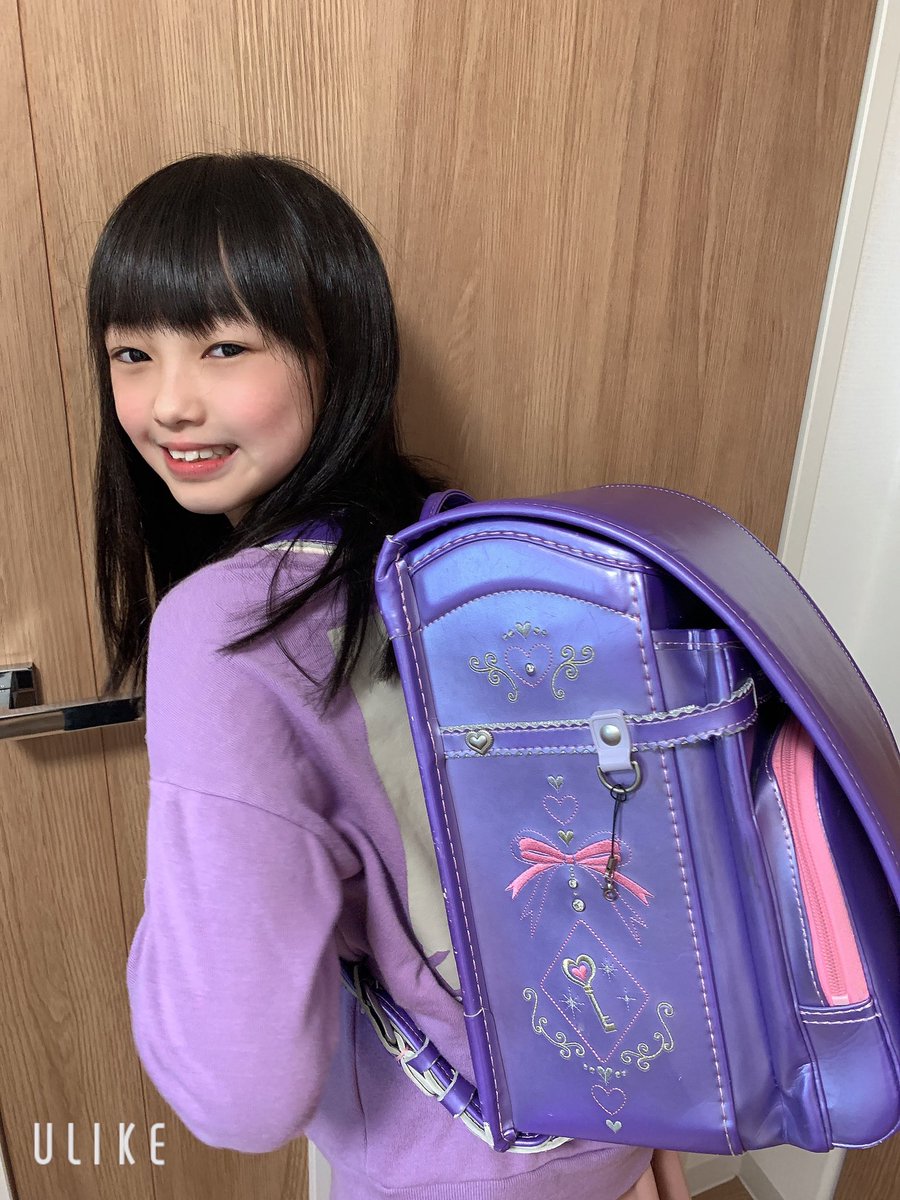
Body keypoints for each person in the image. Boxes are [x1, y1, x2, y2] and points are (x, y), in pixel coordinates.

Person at [88, 152, 691, 1200]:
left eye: (225, 346)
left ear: (342, 350)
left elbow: (241, 1091)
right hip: (614, 1098)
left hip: (458, 1161)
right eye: (131, 353)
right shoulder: (456, 543)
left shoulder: (222, 634)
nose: (169, 403)